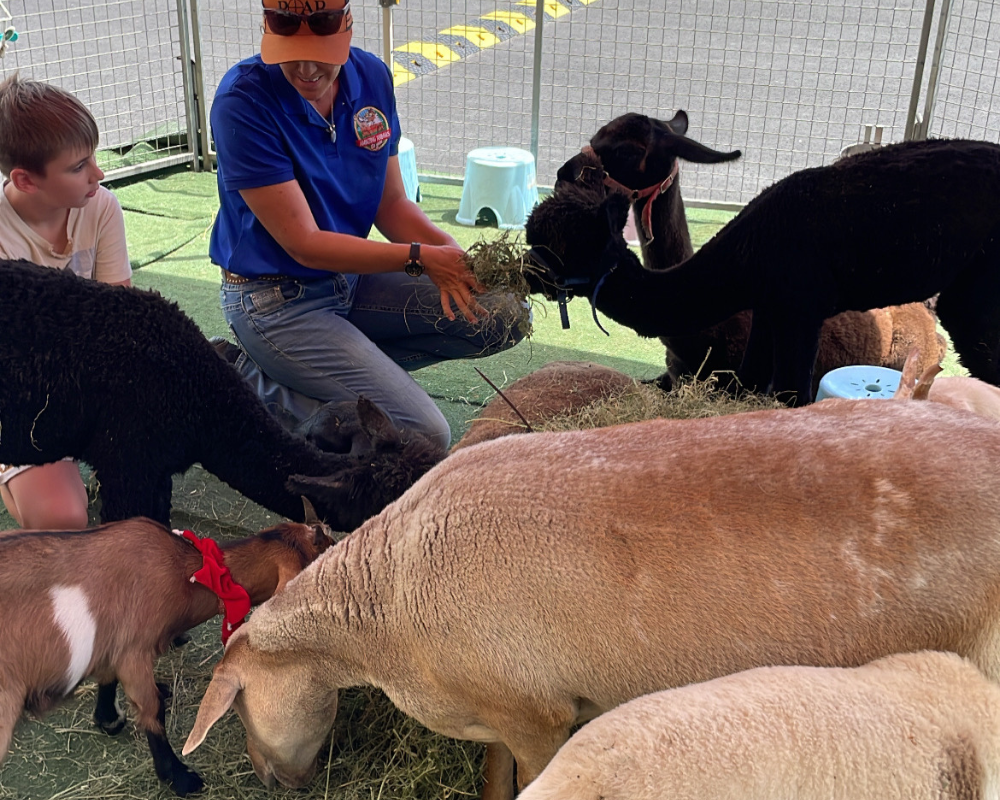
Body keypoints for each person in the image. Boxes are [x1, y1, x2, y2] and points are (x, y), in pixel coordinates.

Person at [209, 0, 527, 451]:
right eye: (287, 51)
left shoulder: (373, 76)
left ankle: (336, 378)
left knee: (502, 314)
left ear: (348, 25)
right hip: (275, 302)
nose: (305, 67)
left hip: (350, 282)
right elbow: (304, 244)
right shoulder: (241, 102)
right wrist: (420, 258)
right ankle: (243, 379)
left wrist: (452, 253)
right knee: (423, 434)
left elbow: (392, 205)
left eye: (322, 50)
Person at [0, 74, 132, 529]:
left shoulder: (102, 207)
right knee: (65, 519)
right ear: (25, 179)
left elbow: (119, 320)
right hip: (21, 397)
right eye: (78, 166)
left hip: (83, 379)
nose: (98, 173)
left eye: (93, 157)